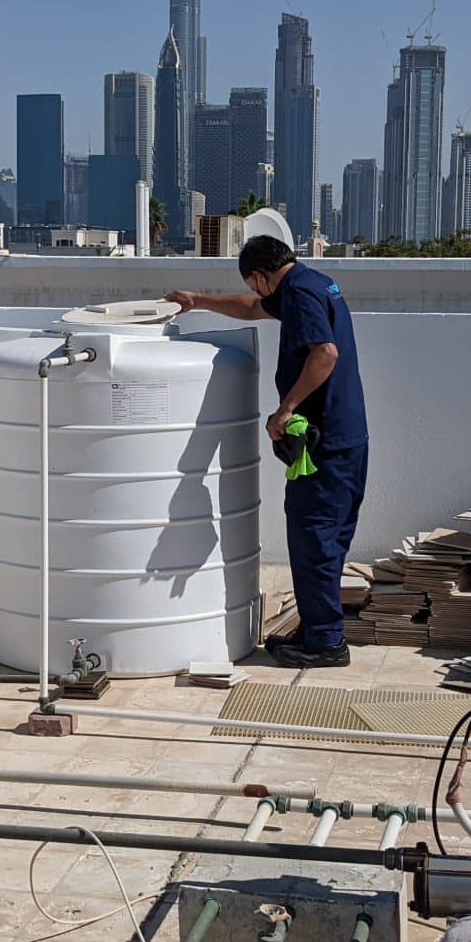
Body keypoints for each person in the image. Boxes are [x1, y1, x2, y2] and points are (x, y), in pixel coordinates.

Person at [167, 235, 367, 668]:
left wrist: (285, 409)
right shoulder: (311, 283)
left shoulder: (298, 294)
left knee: (313, 538)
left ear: (261, 274)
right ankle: (317, 628)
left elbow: (325, 354)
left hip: (324, 444)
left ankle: (326, 644)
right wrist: (197, 301)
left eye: (254, 283)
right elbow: (251, 308)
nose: (256, 292)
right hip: (346, 440)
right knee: (325, 540)